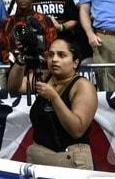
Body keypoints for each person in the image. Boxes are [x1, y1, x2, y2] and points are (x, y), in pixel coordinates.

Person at [22, 38, 97, 170]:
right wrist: (21, 58)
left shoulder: (83, 86)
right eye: (51, 55)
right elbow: (14, 85)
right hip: (39, 160)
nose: (54, 59)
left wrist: (55, 98)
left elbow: (77, 130)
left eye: (62, 55)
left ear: (75, 62)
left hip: (70, 162)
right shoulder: (44, 77)